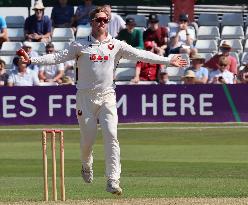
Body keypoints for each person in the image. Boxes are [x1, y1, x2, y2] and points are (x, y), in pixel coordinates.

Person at [19, 6, 187, 195]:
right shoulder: (79, 45)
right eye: (98, 20)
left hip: (107, 96)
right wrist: (33, 60)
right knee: (87, 141)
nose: (101, 23)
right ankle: (86, 164)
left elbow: (141, 54)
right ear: (92, 22)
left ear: (108, 23)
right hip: (85, 98)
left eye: (105, 20)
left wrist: (167, 61)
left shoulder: (116, 45)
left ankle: (113, 179)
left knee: (111, 136)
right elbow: (57, 57)